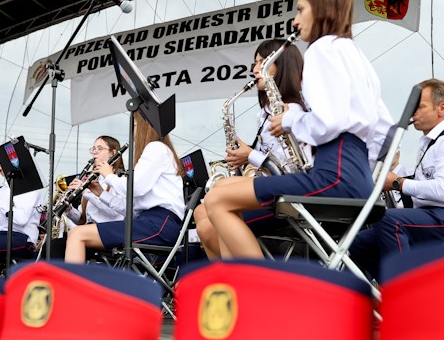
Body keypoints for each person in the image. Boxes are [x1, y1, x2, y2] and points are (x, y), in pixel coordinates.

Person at [203, 0, 394, 259]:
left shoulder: (321, 50)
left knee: (217, 198)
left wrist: (289, 120)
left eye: (301, 9)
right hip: (359, 181)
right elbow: (386, 132)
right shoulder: (355, 54)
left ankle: (260, 284)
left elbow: (328, 122)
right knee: (224, 193)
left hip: (333, 177)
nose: (295, 20)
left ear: (321, 7)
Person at [349, 79, 444, 281]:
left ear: (442, 108)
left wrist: (397, 183)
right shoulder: (429, 143)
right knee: (359, 242)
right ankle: (395, 290)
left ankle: (407, 291)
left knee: (388, 219)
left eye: (420, 107)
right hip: (435, 216)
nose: (413, 114)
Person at [194, 37, 305, 259]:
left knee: (208, 225)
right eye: (255, 63)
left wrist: (251, 155)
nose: (255, 69)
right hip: (272, 190)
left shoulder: (293, 111)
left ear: (281, 66)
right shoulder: (265, 114)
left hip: (287, 196)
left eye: (262, 62)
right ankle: (232, 276)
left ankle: (251, 277)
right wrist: (245, 158)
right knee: (199, 212)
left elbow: (288, 167)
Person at [64, 111, 185, 264]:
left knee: (77, 234)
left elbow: (135, 188)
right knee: (76, 234)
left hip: (159, 223)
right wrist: (100, 193)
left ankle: (71, 281)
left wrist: (109, 176)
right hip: (150, 221)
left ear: (144, 127)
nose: (133, 132)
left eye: (134, 125)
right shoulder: (157, 151)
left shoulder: (156, 147)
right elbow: (129, 208)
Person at [45, 136, 126, 258]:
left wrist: (86, 192)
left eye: (100, 148)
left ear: (113, 153)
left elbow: (115, 213)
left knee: (57, 247)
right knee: (50, 245)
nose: (94, 152)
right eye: (93, 148)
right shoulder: (93, 179)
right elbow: (82, 219)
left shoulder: (119, 180)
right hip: (88, 232)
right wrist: (68, 209)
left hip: (108, 234)